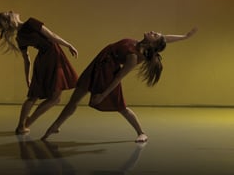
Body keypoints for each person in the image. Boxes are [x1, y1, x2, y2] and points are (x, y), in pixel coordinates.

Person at [40, 27, 198, 142]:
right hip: (97, 66)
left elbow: (118, 78)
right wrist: (184, 36)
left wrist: (103, 94)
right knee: (74, 100)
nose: (153, 31)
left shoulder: (134, 57)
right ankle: (55, 126)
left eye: (155, 35)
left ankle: (141, 132)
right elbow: (165, 38)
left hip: (108, 75)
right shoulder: (138, 43)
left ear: (153, 45)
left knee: (121, 107)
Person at [0, 11, 79, 134]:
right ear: (11, 19)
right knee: (55, 99)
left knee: (34, 96)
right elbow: (51, 35)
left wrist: (27, 77)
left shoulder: (19, 37)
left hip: (42, 60)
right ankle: (27, 123)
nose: (12, 11)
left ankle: (22, 125)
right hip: (53, 56)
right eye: (9, 12)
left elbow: (27, 60)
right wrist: (68, 45)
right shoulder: (31, 23)